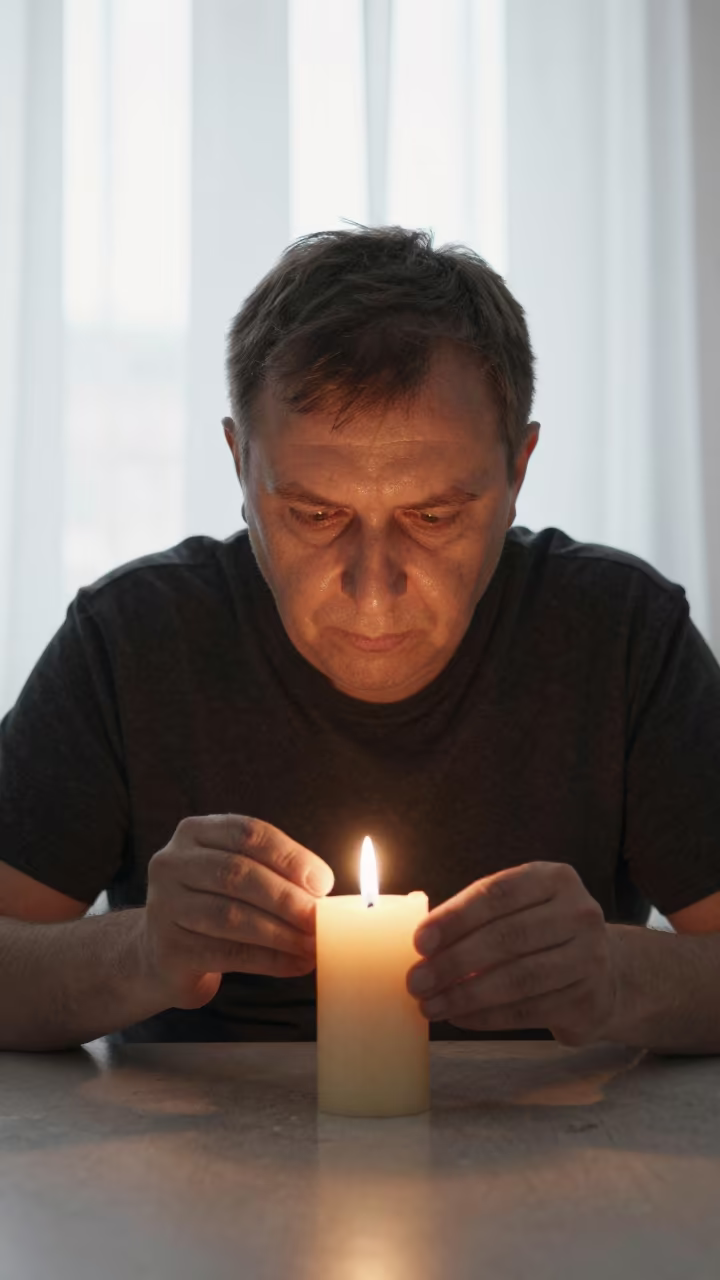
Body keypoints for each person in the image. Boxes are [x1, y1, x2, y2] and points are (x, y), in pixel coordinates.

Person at [2, 224, 720, 1054]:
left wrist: (619, 977)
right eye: (314, 514)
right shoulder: (135, 640)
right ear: (240, 466)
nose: (373, 589)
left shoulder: (618, 635)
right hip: (193, 1169)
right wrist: (140, 950)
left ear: (518, 469)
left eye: (435, 516)